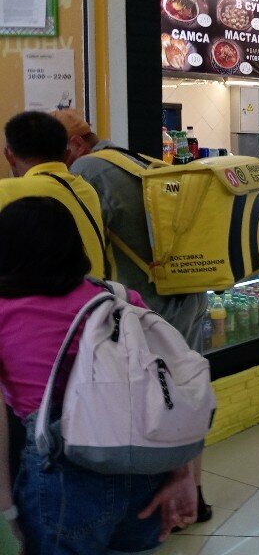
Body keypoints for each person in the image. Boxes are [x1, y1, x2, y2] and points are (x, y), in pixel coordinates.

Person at [0, 197, 198, 554]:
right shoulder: (118, 298)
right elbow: (167, 390)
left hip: (63, 478)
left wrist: (6, 508)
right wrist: (182, 473)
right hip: (145, 470)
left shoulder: (4, 313)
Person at [52, 110, 212, 523]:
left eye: (59, 151)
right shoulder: (130, 158)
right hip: (188, 290)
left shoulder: (87, 170)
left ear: (75, 144)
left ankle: (169, 505)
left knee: (158, 401)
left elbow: (84, 241)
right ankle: (195, 495)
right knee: (185, 394)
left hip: (151, 303)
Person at [0, 112, 108, 280]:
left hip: (43, 295)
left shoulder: (5, 190)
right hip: (94, 294)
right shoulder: (86, 190)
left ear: (9, 155)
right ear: (67, 154)